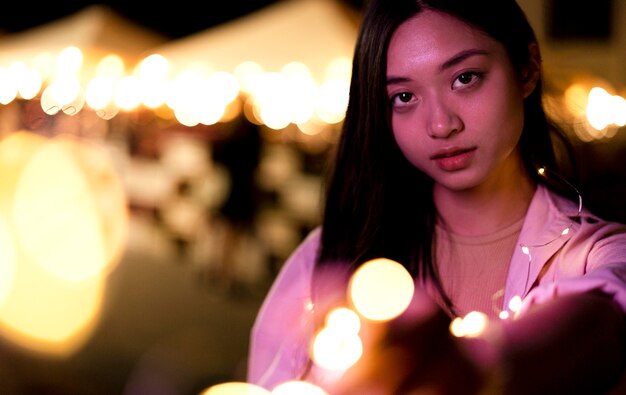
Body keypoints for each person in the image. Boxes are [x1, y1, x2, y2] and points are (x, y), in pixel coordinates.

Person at [247, 0, 626, 394]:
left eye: (464, 78)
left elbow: (609, 309)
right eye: (404, 97)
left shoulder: (593, 253)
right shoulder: (332, 256)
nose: (441, 124)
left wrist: (480, 367)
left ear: (527, 68)